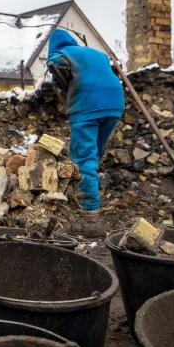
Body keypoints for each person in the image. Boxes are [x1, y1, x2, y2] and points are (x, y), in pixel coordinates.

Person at [46, 30, 124, 237]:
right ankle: (84, 201)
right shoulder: (96, 54)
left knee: (83, 161)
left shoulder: (62, 52)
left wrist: (58, 84)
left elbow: (55, 64)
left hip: (87, 106)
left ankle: (90, 219)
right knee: (92, 157)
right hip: (115, 104)